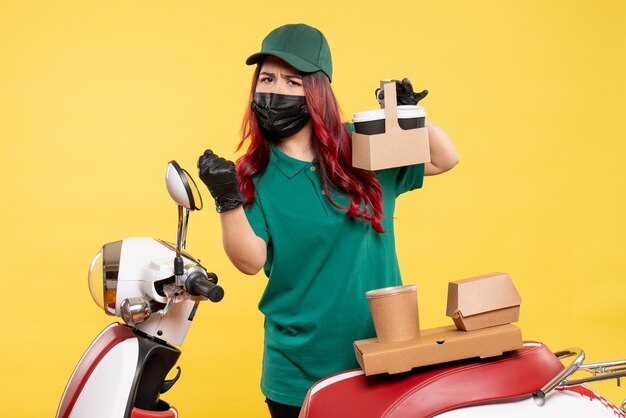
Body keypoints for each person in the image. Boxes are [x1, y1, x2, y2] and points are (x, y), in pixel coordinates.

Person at [197, 23, 459, 418]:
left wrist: (408, 115)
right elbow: (249, 261)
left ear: (317, 90)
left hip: (382, 355)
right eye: (267, 79)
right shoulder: (253, 175)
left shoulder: (363, 145)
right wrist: (227, 199)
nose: (276, 91)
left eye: (293, 81)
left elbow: (444, 159)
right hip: (299, 371)